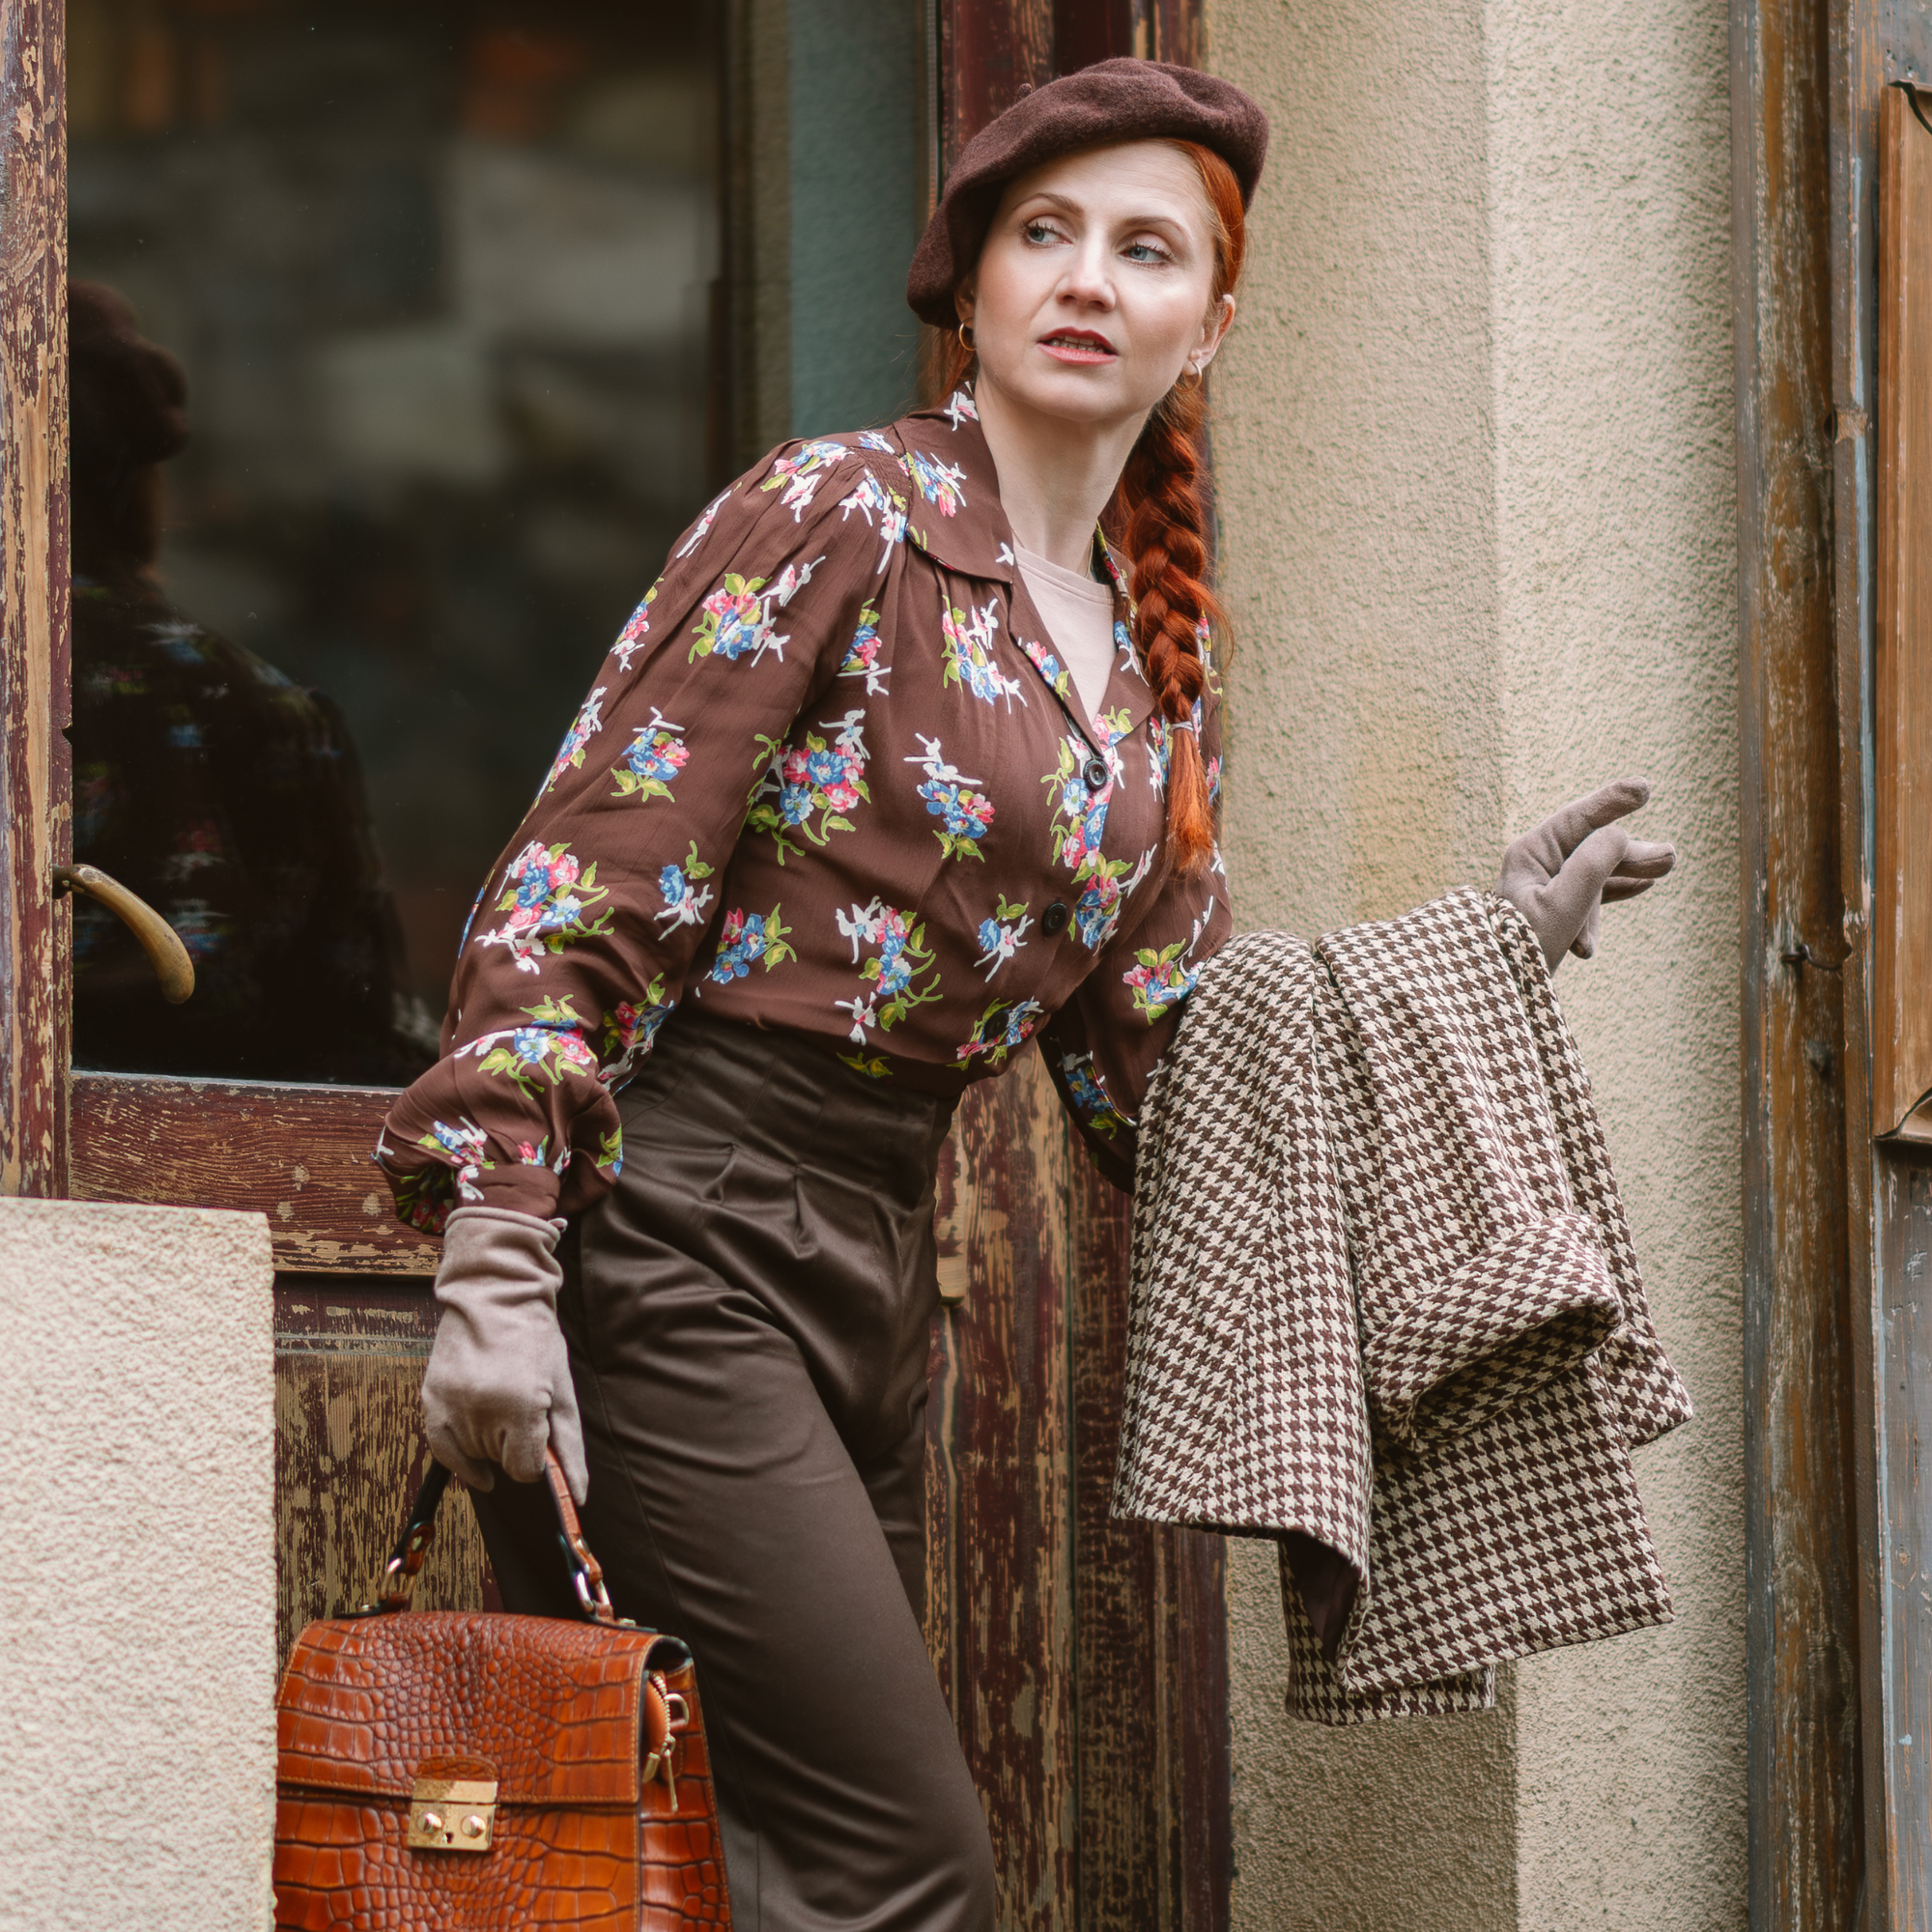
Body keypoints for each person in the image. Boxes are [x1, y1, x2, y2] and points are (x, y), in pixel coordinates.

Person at [375, 60, 1675, 1931]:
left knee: (720, 1864)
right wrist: (495, 1261)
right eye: (1040, 235)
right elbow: (590, 873)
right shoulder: (840, 512)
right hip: (671, 1247)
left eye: (1145, 249)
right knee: (894, 1869)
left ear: (1208, 318)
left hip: (869, 1285)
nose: (1085, 278)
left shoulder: (1149, 677)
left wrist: (1495, 943)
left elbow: (1177, 1065)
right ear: (968, 284)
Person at [68, 280, 433, 1084]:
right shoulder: (248, 703)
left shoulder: (225, 699)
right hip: (199, 1160)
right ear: (141, 483)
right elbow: (361, 1031)